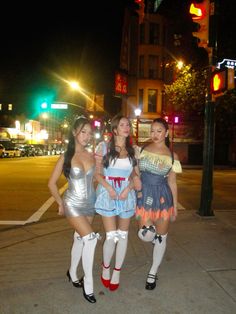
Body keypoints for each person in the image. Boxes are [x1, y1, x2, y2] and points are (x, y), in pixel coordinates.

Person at [48, 116, 98, 303]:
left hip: (90, 205)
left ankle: (72, 273)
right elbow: (51, 184)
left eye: (89, 133)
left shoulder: (91, 155)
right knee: (90, 240)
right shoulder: (66, 156)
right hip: (73, 204)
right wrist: (60, 203)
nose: (87, 136)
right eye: (83, 132)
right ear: (74, 132)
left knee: (80, 239)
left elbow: (94, 180)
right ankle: (89, 285)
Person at [135, 117, 182, 290]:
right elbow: (136, 171)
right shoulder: (143, 150)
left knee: (162, 237)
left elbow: (172, 182)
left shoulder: (172, 156)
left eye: (159, 131)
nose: (154, 134)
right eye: (152, 131)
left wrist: (175, 206)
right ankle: (154, 238)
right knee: (146, 234)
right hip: (145, 194)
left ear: (166, 133)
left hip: (163, 197)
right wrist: (135, 181)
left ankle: (153, 272)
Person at [94, 114, 138, 291]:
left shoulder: (134, 149)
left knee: (123, 235)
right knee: (111, 236)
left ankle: (117, 271)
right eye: (122, 125)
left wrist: (128, 189)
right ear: (114, 129)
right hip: (108, 192)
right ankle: (106, 268)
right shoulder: (103, 147)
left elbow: (136, 175)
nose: (126, 127)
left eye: (128, 125)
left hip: (126, 193)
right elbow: (97, 174)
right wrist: (110, 188)